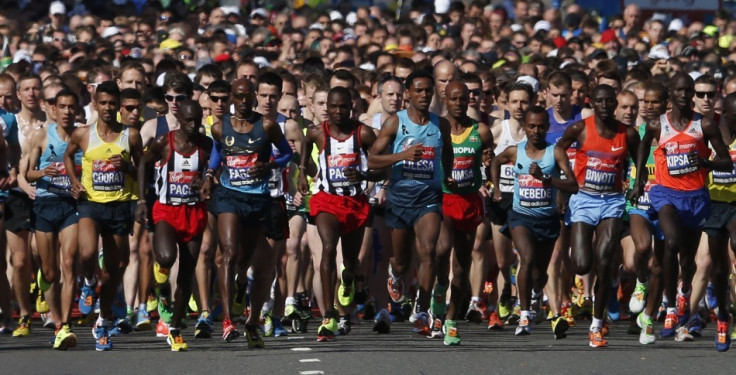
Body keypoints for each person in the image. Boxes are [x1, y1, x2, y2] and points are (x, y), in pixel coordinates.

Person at [631, 73, 731, 344]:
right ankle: (671, 305)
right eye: (680, 90)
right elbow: (642, 147)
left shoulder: (705, 125)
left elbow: (726, 162)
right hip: (665, 194)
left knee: (687, 261)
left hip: (696, 199)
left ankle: (684, 291)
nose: (686, 95)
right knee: (671, 241)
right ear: (671, 94)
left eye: (690, 91)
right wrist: (640, 180)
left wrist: (705, 163)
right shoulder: (657, 124)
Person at [203, 78, 293, 347]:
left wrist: (270, 165)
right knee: (228, 253)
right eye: (238, 96)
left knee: (244, 259)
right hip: (229, 196)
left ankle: (243, 291)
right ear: (232, 98)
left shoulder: (266, 126)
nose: (242, 101)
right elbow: (218, 153)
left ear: (253, 97)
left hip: (257, 198)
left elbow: (288, 154)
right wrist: (209, 174)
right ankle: (229, 320)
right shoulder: (220, 127)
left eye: (247, 97)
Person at [367, 69, 455, 335]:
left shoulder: (441, 125)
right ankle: (396, 276)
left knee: (429, 251)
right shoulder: (395, 122)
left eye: (428, 90)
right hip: (399, 198)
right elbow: (372, 160)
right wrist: (403, 155)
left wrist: (447, 175)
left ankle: (422, 308)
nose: (424, 95)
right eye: (418, 90)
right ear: (408, 94)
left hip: (428, 197)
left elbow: (447, 154)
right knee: (402, 262)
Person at [556, 84, 640, 348]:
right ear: (593, 103)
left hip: (612, 202)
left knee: (603, 262)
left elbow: (640, 156)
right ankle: (590, 288)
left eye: (609, 101)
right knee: (581, 264)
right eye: (599, 101)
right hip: (583, 199)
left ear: (614, 104)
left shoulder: (626, 132)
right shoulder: (579, 129)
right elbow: (559, 149)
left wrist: (638, 183)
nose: (604, 106)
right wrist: (565, 179)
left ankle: (596, 324)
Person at [64, 81, 144, 351]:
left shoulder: (130, 135)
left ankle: (102, 322)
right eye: (103, 103)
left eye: (113, 103)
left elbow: (143, 169)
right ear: (95, 105)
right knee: (86, 254)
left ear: (119, 106)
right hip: (91, 204)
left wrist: (129, 166)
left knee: (115, 269)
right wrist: (75, 182)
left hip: (119, 206)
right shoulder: (83, 134)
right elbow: (68, 156)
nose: (108, 108)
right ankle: (87, 282)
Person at [298, 86, 379, 341]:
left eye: (342, 106)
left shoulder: (364, 134)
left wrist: (365, 174)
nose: (336, 111)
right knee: (329, 248)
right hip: (326, 200)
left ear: (352, 107)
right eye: (332, 106)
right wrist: (302, 172)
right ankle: (329, 315)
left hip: (354, 202)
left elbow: (382, 168)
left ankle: (348, 279)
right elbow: (304, 152)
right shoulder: (316, 133)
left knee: (351, 262)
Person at [492, 105, 577, 337]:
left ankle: (537, 294)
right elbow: (495, 161)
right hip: (520, 217)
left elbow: (573, 184)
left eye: (540, 126)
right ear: (525, 127)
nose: (536, 131)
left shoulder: (556, 152)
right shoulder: (514, 151)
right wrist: (496, 188)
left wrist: (548, 180)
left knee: (540, 274)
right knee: (526, 259)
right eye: (531, 126)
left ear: (547, 127)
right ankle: (524, 315)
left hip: (547, 220)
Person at [136, 100, 213, 351]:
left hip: (194, 212)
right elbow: (143, 164)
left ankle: (175, 329)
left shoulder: (206, 145)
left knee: (186, 275)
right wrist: (141, 200)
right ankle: (160, 287)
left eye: (197, 120)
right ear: (179, 119)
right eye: (189, 120)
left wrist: (206, 179)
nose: (193, 125)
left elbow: (216, 172)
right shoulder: (164, 142)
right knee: (166, 258)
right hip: (167, 210)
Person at [435, 81, 493, 345]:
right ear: (446, 100)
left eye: (463, 99)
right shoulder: (436, 128)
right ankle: (435, 295)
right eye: (454, 99)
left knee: (461, 266)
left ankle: (450, 321)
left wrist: (489, 177)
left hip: (469, 201)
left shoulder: (480, 130)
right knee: (441, 249)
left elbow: (488, 162)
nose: (459, 103)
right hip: (444, 200)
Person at [25, 88, 81, 349]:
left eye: (72, 107)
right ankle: (54, 313)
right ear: (54, 109)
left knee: (68, 263)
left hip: (71, 206)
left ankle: (63, 324)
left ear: (76, 109)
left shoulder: (83, 136)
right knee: (49, 270)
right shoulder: (41, 135)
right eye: (63, 107)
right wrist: (43, 171)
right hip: (46, 204)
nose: (67, 111)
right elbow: (27, 175)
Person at [701, 92, 736, 352]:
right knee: (718, 270)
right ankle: (723, 316)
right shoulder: (711, 136)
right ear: (726, 114)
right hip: (713, 205)